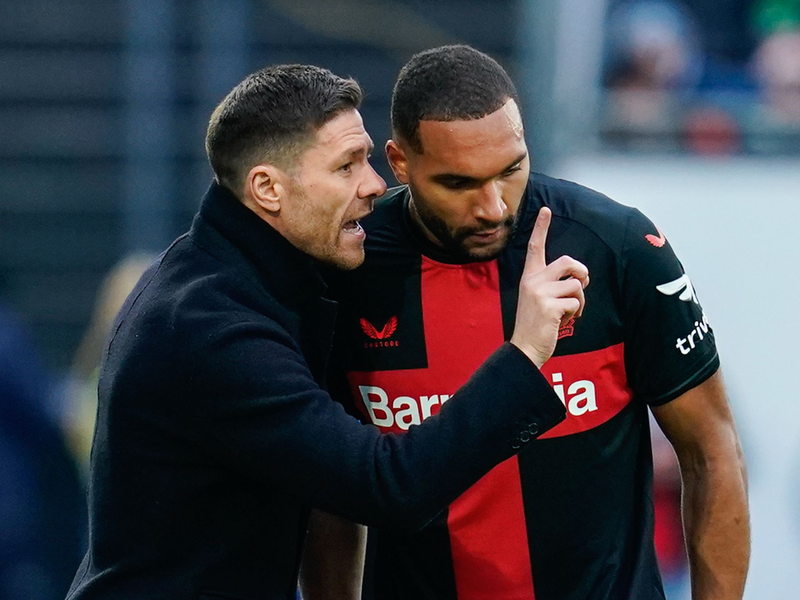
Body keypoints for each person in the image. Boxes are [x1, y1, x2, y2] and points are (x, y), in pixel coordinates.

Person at [65, 64, 590, 600]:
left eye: (366, 157)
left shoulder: (223, 276)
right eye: (346, 167)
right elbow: (387, 487)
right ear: (268, 188)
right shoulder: (213, 331)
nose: (375, 185)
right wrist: (525, 351)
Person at [319, 46, 750, 599]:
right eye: (459, 183)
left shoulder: (617, 247)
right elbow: (332, 493)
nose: (493, 206)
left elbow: (711, 449)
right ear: (400, 164)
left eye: (511, 169)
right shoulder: (346, 266)